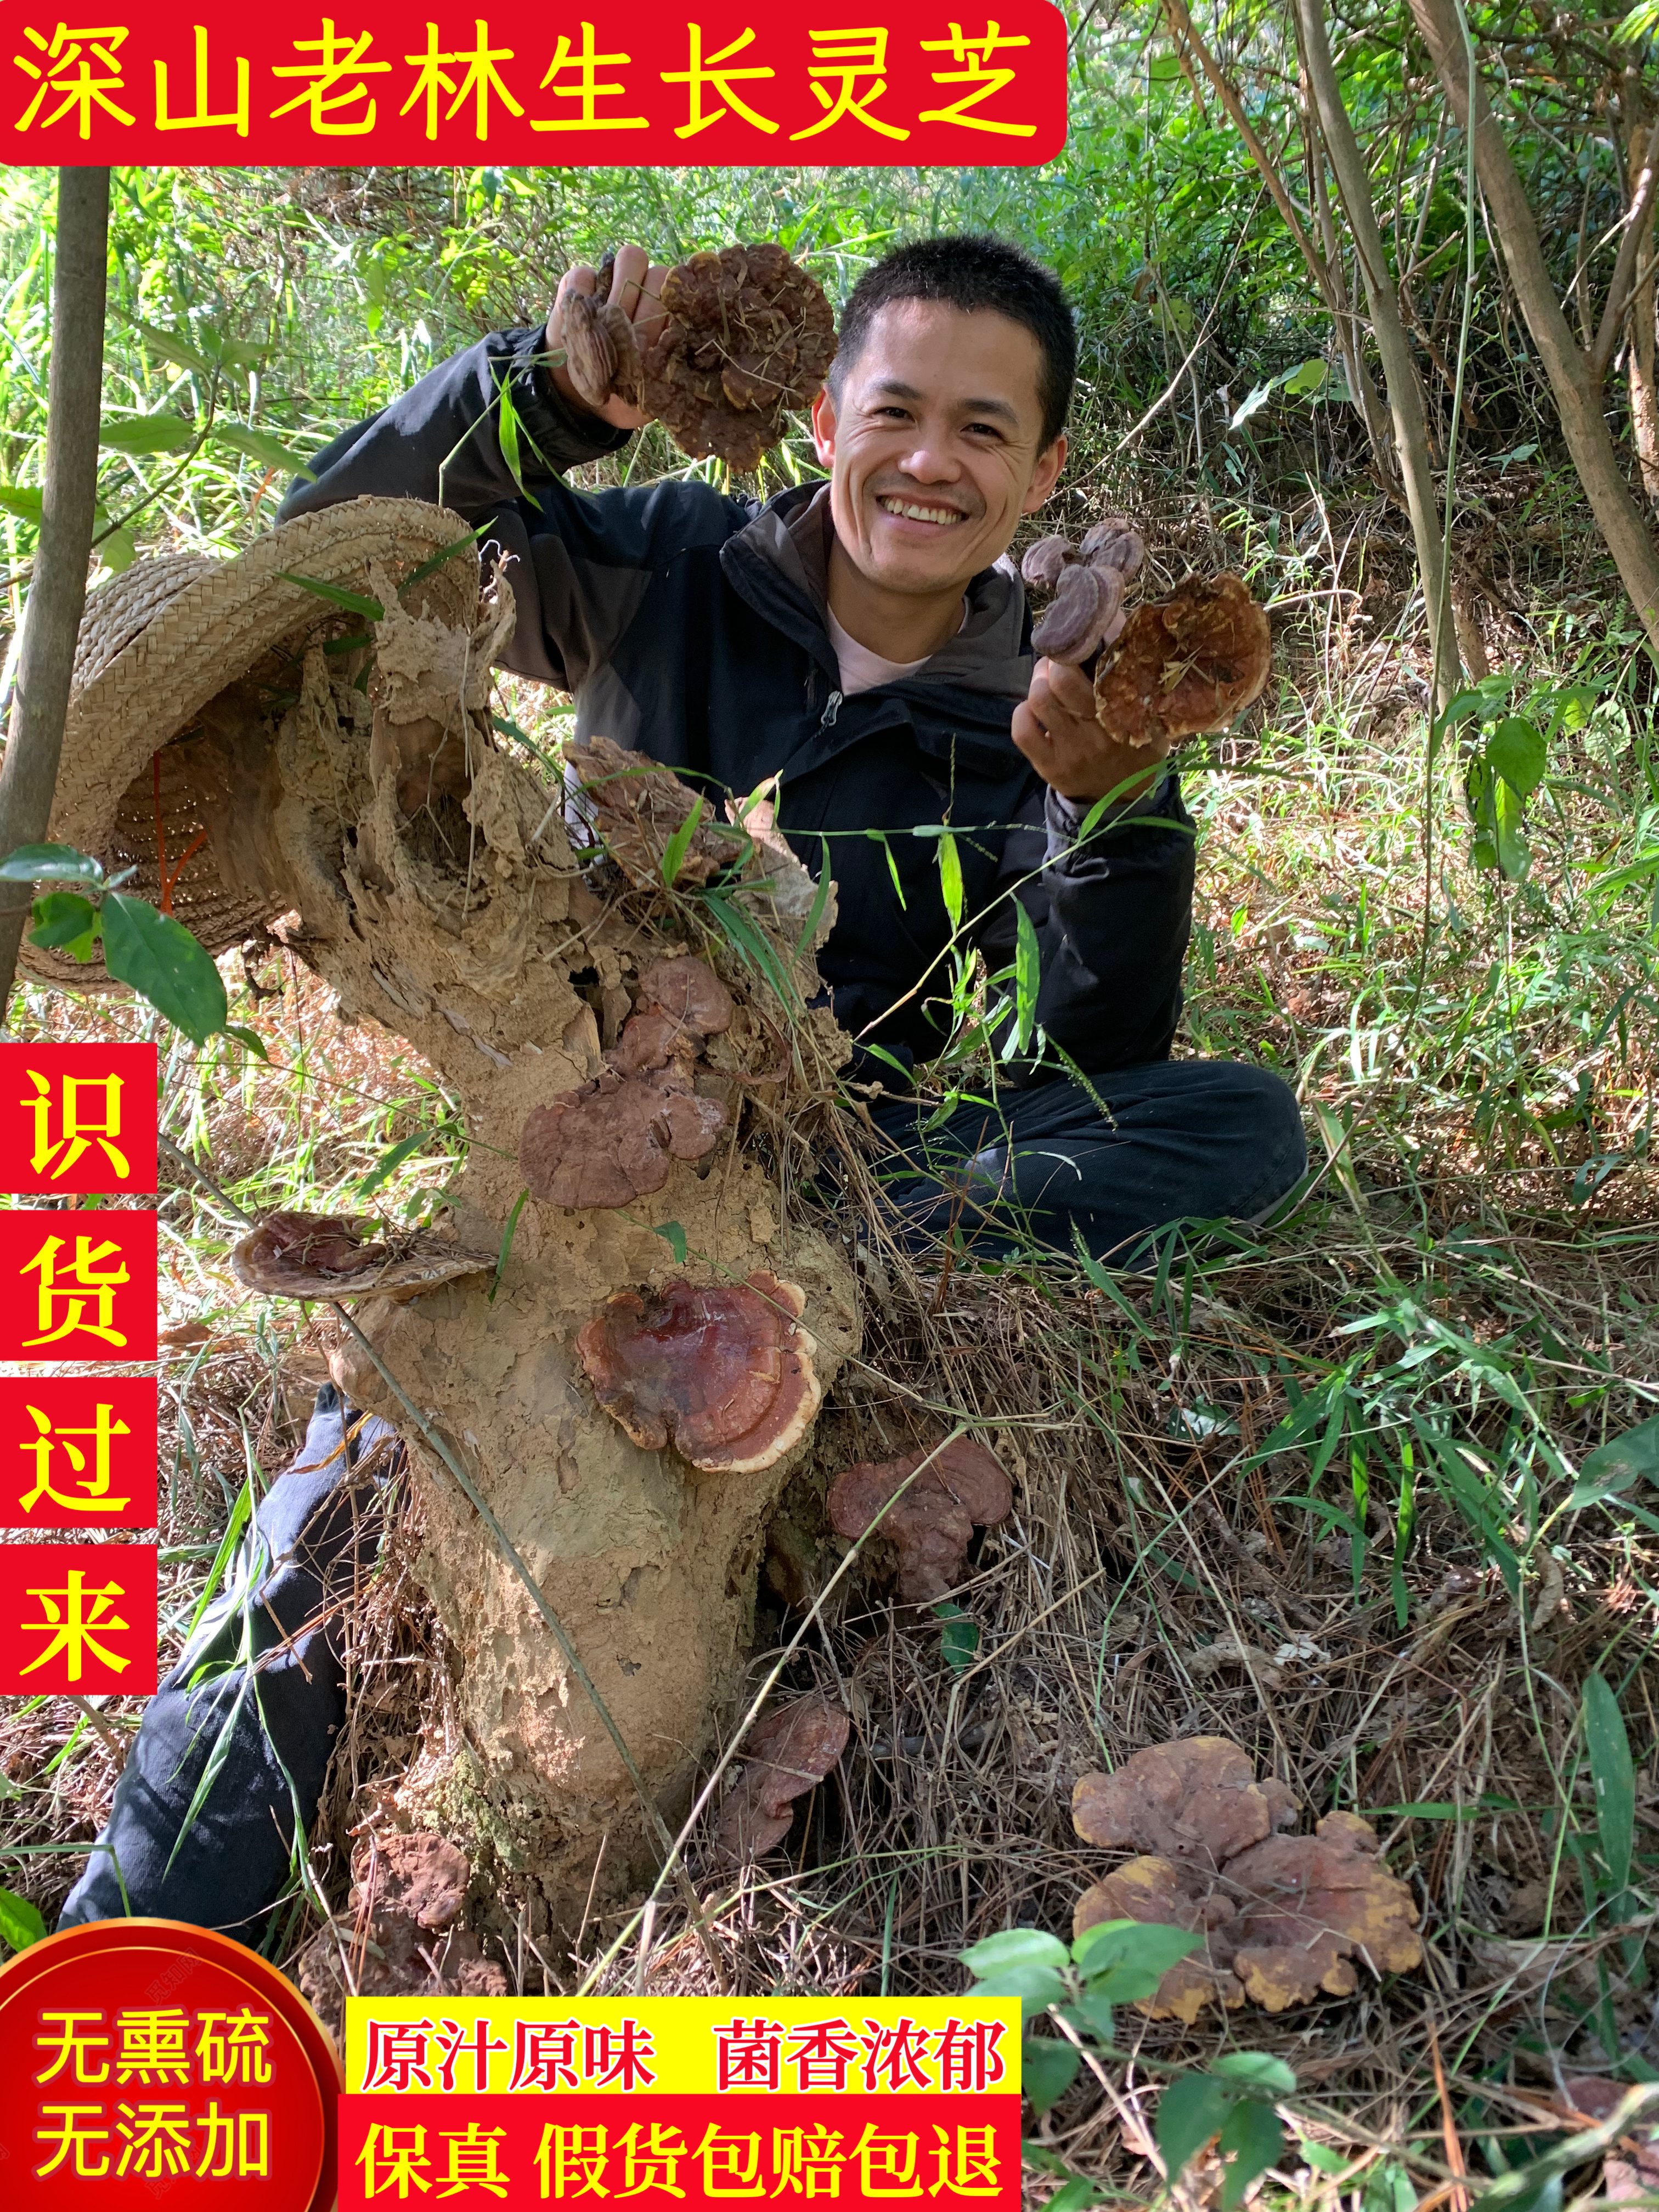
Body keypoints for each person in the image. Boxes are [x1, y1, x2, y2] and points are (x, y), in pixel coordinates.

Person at [280, 234, 1305, 1263]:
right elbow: (334, 547)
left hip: (848, 1149)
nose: (928, 462)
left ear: (1042, 475)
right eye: (894, 413)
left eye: (982, 432)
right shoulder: (671, 565)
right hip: (586, 1105)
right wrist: (544, 399)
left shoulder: (1037, 715)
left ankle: (816, 1243)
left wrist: (1114, 818)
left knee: (1245, 1121)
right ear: (824, 424)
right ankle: (779, 1248)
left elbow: (1082, 1066)